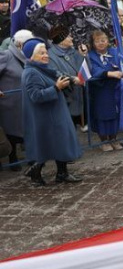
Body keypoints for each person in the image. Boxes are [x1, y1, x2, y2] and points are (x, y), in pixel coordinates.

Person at [20, 38, 83, 186]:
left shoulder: (43, 68)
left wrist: (72, 79)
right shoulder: (31, 73)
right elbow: (36, 96)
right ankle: (36, 172)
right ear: (31, 56)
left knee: (60, 142)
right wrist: (56, 88)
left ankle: (62, 173)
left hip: (53, 113)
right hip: (46, 116)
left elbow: (57, 74)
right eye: (41, 53)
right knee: (49, 144)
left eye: (45, 52)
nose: (46, 55)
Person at [87, 30, 123, 152]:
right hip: (100, 91)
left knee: (115, 114)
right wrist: (109, 73)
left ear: (108, 41)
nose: (101, 43)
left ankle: (114, 139)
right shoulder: (90, 56)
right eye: (97, 41)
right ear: (93, 43)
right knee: (102, 115)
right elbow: (93, 70)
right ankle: (104, 141)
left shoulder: (115, 52)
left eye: (103, 40)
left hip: (115, 90)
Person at [0, 30, 33, 169]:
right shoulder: (6, 55)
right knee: (10, 131)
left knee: (28, 128)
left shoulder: (30, 55)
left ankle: (33, 157)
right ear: (20, 43)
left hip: (26, 100)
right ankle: (12, 158)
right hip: (9, 102)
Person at [47, 26, 85, 131]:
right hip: (64, 96)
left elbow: (83, 69)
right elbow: (55, 73)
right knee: (65, 128)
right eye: (69, 36)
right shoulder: (50, 55)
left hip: (77, 94)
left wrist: (83, 55)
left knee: (73, 127)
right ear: (61, 40)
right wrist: (72, 79)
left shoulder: (73, 51)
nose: (72, 38)